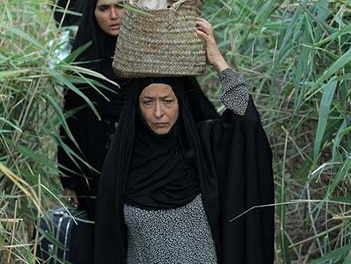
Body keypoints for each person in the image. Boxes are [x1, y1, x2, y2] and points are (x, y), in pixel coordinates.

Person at [94, 18, 275, 264]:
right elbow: (109, 245)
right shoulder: (123, 159)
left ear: (181, 103)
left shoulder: (201, 147)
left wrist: (217, 60)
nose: (158, 113)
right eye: (148, 102)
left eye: (167, 101)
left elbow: (247, 120)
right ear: (136, 107)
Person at [57, 0, 127, 220]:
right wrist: (69, 179)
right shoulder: (82, 64)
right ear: (92, 12)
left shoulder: (142, 58)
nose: (114, 15)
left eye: (120, 6)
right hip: (94, 168)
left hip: (136, 163)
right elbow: (70, 123)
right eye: (104, 8)